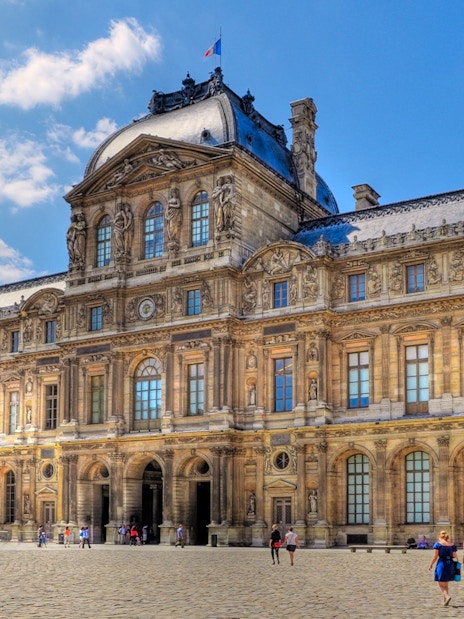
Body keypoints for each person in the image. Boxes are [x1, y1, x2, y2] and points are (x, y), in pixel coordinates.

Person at [428, 530, 457, 606]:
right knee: (446, 584)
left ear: (439, 536)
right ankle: (444, 601)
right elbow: (454, 556)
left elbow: (435, 556)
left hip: (442, 564)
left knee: (440, 583)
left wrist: (431, 564)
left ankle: (447, 596)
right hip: (450, 564)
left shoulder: (438, 545)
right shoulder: (452, 545)